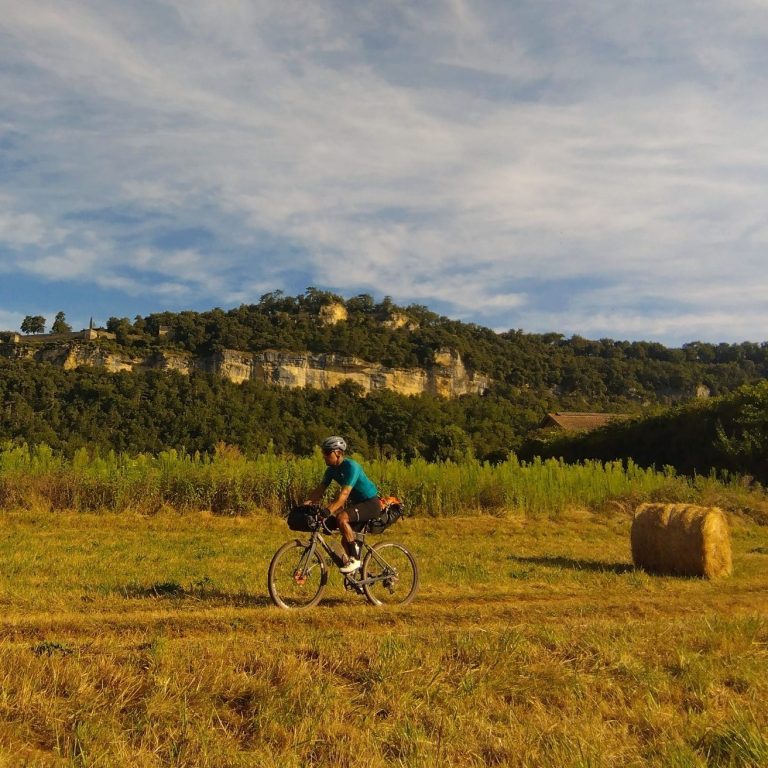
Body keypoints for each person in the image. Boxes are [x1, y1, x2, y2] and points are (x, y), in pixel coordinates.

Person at [303, 436, 383, 574]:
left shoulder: (352, 467)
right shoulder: (331, 471)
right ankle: (360, 577)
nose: (325, 457)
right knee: (345, 541)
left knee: (341, 518)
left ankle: (356, 560)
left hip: (371, 503)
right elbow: (320, 490)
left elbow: (344, 495)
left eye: (328, 453)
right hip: (358, 504)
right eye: (324, 453)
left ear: (338, 453)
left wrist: (327, 511)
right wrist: (305, 504)